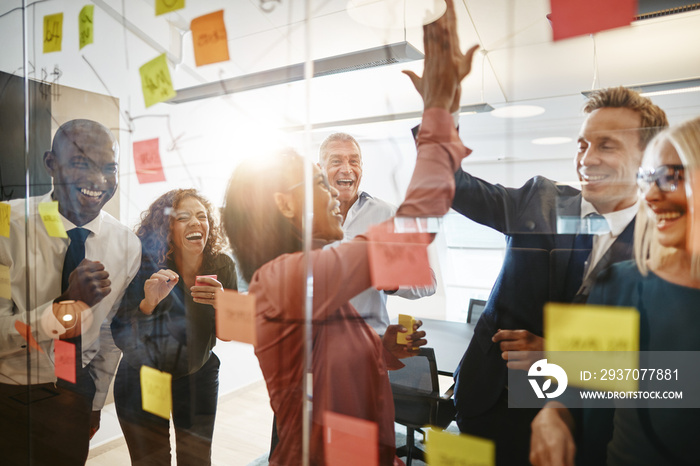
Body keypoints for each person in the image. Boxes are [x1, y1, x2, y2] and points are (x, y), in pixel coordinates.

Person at [221, 2, 477, 463]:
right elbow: (418, 220)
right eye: (319, 180)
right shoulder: (287, 276)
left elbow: (327, 361)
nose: (332, 191)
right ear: (284, 204)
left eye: (350, 164)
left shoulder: (303, 276)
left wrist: (378, 348)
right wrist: (439, 108)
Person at [450, 88, 668, 464]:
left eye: (607, 145)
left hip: (581, 426)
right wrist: (441, 103)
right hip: (488, 402)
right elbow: (449, 185)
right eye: (582, 144)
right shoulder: (539, 200)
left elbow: (665, 371)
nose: (587, 158)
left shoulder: (664, 245)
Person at [530, 115, 700, 466]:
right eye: (646, 179)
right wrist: (552, 414)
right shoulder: (616, 282)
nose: (651, 196)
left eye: (670, 177)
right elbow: (575, 387)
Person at [0, 119, 141, 465]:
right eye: (81, 163)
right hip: (7, 393)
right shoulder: (6, 224)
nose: (98, 180)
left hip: (73, 393)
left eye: (110, 168)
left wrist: (93, 401)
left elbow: (108, 333)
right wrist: (63, 305)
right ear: (51, 163)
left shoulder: (126, 244)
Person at [111, 189, 236, 465]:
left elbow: (227, 334)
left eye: (202, 216)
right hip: (147, 380)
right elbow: (121, 335)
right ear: (166, 228)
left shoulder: (222, 265)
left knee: (197, 461)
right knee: (152, 461)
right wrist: (148, 303)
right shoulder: (146, 266)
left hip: (197, 377)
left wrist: (224, 306)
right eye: (184, 217)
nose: (196, 222)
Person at [318, 132, 436, 334]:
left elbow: (428, 281)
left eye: (354, 161)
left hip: (371, 346)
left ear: (361, 168)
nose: (347, 170)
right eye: (336, 161)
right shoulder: (302, 218)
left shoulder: (390, 215)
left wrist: (394, 282)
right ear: (320, 169)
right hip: (316, 350)